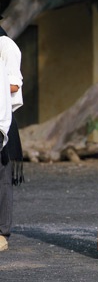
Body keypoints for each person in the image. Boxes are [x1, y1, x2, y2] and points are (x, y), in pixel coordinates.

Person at [0, 18, 21, 252]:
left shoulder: (5, 45)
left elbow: (15, 84)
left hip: (3, 115)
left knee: (2, 176)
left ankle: (2, 231)